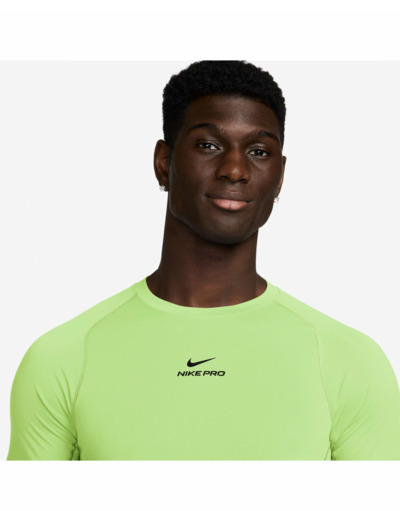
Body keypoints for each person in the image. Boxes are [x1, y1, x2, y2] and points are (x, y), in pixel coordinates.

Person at [7, 60, 400, 461]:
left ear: (279, 176)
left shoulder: (349, 363)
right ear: (164, 163)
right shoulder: (63, 358)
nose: (235, 170)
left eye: (259, 151)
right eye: (208, 146)